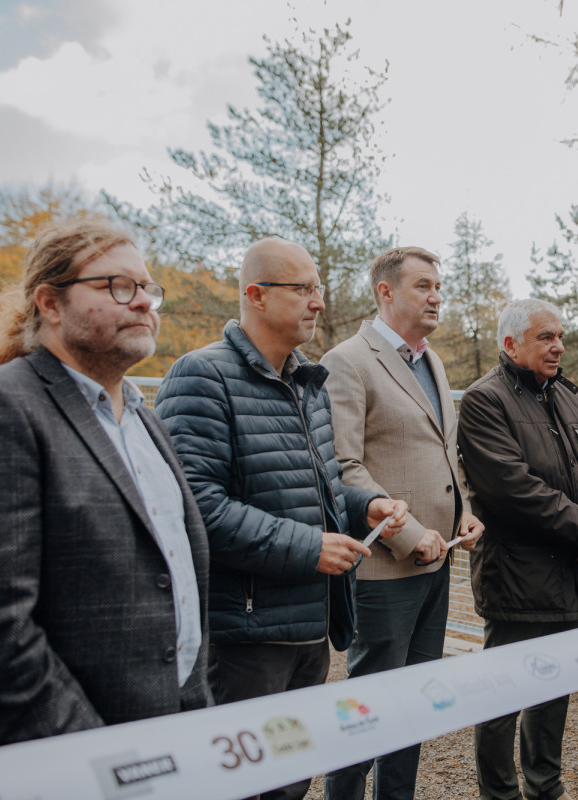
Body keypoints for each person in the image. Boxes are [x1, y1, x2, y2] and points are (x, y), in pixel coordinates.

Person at [0, 220, 213, 761]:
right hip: (54, 762)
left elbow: (177, 595)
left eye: (148, 288)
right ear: (50, 302)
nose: (143, 303)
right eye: (118, 286)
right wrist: (97, 767)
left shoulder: (146, 421)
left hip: (166, 743)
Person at [156, 237, 407, 800]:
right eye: (304, 289)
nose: (318, 302)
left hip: (308, 624)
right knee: (242, 786)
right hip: (242, 634)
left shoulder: (308, 381)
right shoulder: (199, 377)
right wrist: (308, 547)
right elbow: (195, 506)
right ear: (255, 296)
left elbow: (318, 488)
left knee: (291, 780)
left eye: (318, 289)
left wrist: (366, 505)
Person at [320, 246, 484, 800]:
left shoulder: (431, 360)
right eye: (422, 285)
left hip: (440, 563)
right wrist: (411, 537)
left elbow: (445, 449)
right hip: (386, 569)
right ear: (385, 292)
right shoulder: (347, 360)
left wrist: (465, 509)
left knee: (414, 703)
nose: (436, 295)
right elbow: (344, 465)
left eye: (439, 285)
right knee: (368, 709)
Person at [458, 298, 578, 800]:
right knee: (503, 695)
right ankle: (500, 793)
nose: (558, 346)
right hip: (516, 575)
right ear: (510, 344)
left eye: (560, 336)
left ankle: (545, 785)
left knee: (553, 689)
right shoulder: (484, 400)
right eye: (545, 337)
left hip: (570, 572)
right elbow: (510, 487)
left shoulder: (571, 397)